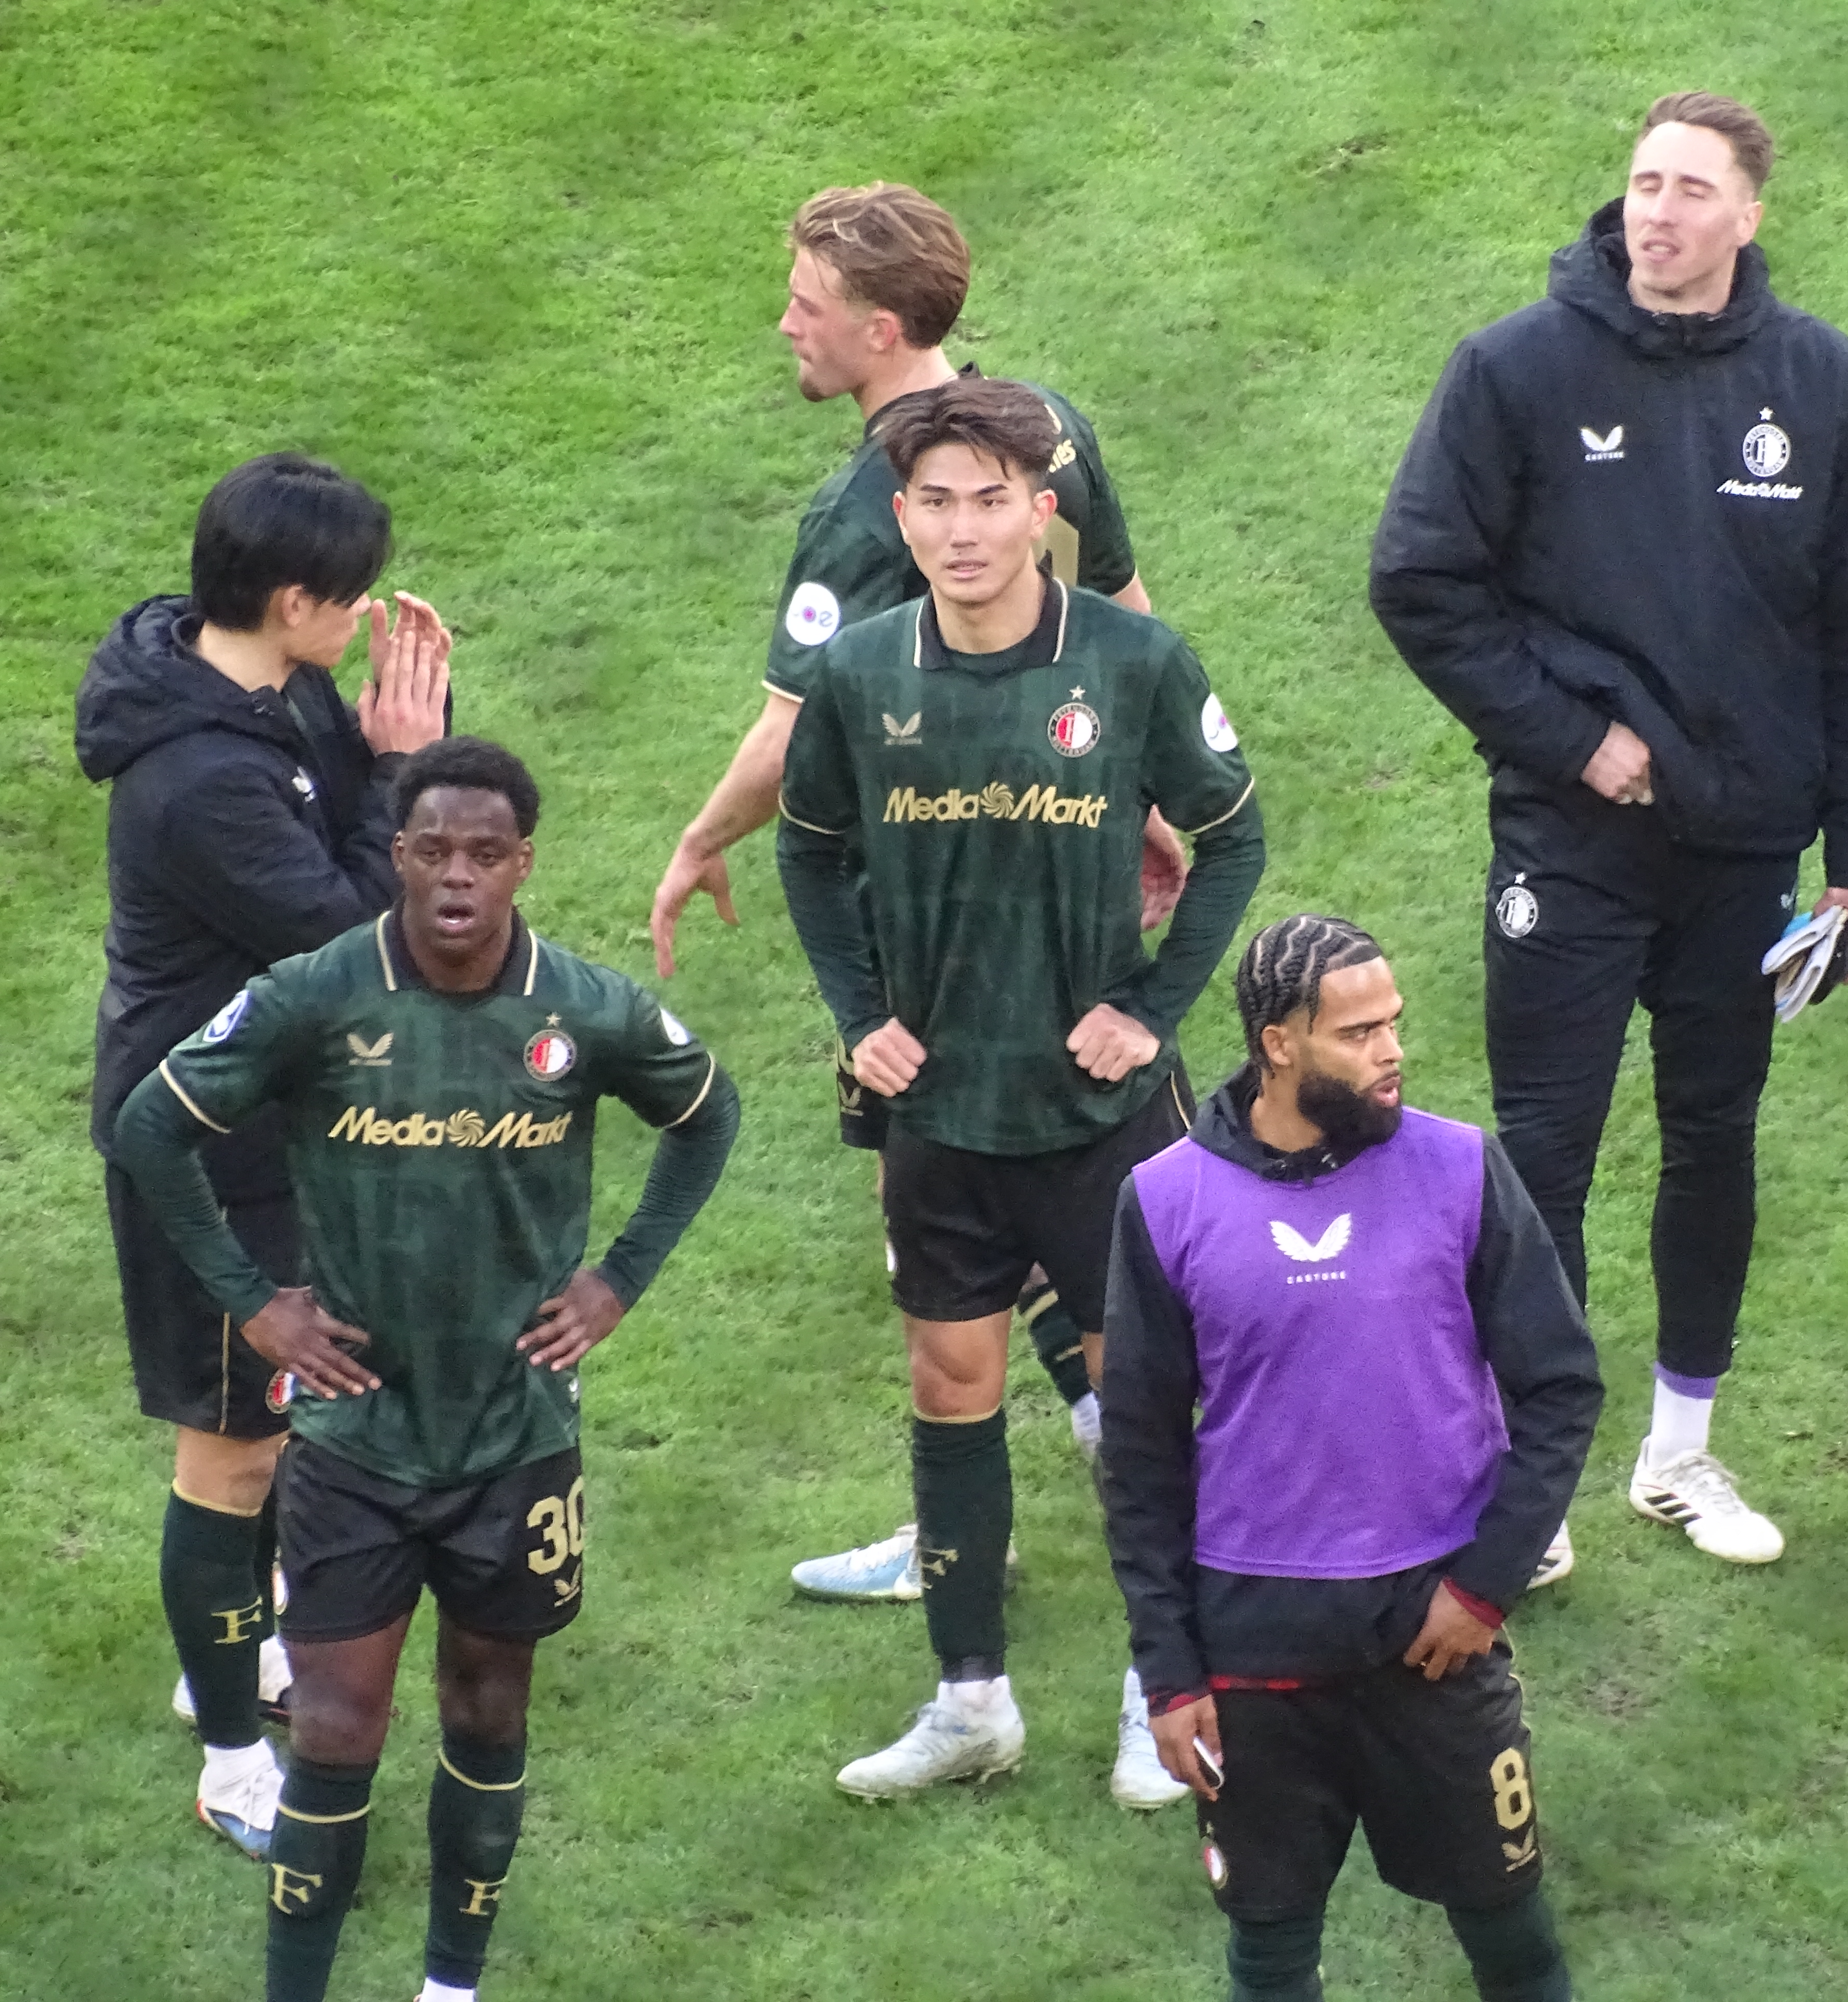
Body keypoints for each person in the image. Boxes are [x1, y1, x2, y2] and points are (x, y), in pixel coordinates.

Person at [1370, 91, 1848, 1570]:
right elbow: (1421, 580)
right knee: (1544, 1151)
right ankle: (1529, 1482)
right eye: (1643, 183)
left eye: (1691, 189)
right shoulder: (1517, 368)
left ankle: (1681, 1456)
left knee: (1714, 1138)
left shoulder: (1822, 382)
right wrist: (1575, 741)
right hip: (1571, 842)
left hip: (1746, 850)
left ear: (1750, 215)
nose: (1658, 212)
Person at [112, 737, 739, 2002]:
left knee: (488, 1716)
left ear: (523, 865)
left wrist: (618, 1279)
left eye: (486, 854)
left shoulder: (585, 1010)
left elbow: (707, 1112)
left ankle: (451, 1988)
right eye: (435, 850)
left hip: (518, 1440)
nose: (459, 876)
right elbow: (152, 1126)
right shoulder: (317, 995)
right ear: (398, 856)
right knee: (335, 1730)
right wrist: (254, 1304)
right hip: (353, 1445)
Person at [648, 182, 1181, 1582]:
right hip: (1073, 880)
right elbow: (1129, 621)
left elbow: (788, 738)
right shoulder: (1045, 426)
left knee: (945, 1230)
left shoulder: (869, 511)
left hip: (935, 922)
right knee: (1068, 1201)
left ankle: (972, 1536)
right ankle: (1093, 1468)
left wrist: (699, 841)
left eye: (806, 307)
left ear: (880, 329)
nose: (786, 327)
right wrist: (1145, 803)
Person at [773, 375, 1264, 1804]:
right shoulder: (861, 674)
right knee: (951, 1390)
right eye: (937, 502)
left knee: (1145, 1408)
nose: (964, 529)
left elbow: (1233, 837)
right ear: (903, 519)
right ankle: (970, 1703)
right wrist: (861, 1018)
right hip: (940, 1117)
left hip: (1099, 1123)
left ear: (1042, 512)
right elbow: (808, 850)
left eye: (992, 501)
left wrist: (1149, 1013)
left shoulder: (1131, 660)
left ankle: (1162, 1694)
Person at [1099, 914, 1602, 2002]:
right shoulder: (1167, 1200)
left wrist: (1484, 1587)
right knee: (1271, 1956)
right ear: (1279, 1044)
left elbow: (1562, 1386)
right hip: (1255, 1650)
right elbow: (1140, 1461)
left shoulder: (1459, 1168)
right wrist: (1169, 1677)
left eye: (1393, 1025)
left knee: (1516, 1942)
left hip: (1436, 1640)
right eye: (1359, 1033)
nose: (1392, 1053)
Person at [74, 451, 452, 1856]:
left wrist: (385, 747)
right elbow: (356, 929)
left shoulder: (264, 686)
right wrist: (398, 765)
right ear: (292, 598)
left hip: (280, 1129)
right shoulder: (197, 784)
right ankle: (233, 1759)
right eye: (349, 597)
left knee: (288, 1424)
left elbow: (351, 826)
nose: (362, 617)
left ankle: (248, 1656)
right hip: (207, 1157)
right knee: (232, 1452)